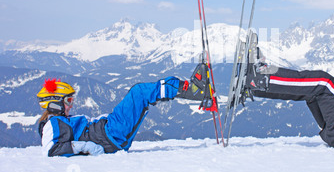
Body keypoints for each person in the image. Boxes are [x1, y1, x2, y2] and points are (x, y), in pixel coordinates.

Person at [37, 63, 211, 157]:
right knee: (140, 92)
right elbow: (51, 150)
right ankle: (194, 90)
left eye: (71, 100)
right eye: (68, 100)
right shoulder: (51, 124)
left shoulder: (57, 122)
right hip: (109, 134)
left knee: (141, 96)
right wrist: (90, 147)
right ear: (54, 103)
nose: (71, 105)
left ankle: (194, 91)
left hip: (108, 135)